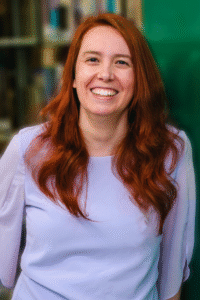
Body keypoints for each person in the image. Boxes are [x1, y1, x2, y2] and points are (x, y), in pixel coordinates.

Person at [0, 13, 196, 300]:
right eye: (92, 60)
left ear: (138, 79)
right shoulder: (27, 148)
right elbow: (3, 267)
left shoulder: (172, 151)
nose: (105, 73)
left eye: (122, 62)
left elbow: (171, 280)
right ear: (74, 77)